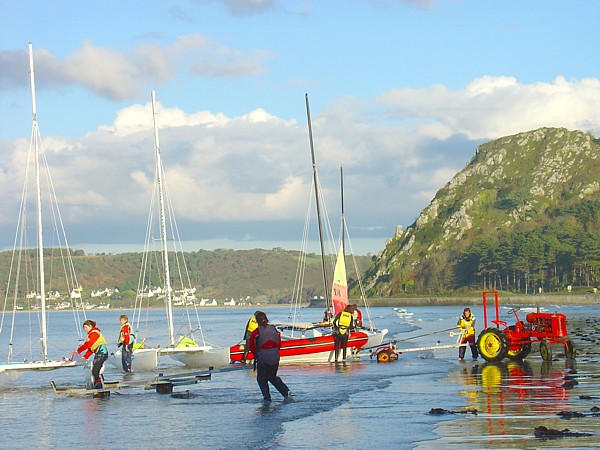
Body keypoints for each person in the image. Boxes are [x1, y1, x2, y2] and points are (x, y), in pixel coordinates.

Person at [248, 311, 292, 402]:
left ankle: (267, 398)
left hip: (263, 357)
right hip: (275, 356)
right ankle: (286, 392)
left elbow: (252, 346)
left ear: (257, 321)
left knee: (261, 379)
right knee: (272, 377)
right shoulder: (274, 329)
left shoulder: (256, 332)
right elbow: (278, 343)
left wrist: (257, 355)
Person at [71, 320, 108, 389]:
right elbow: (91, 348)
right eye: (84, 328)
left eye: (86, 327)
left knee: (95, 371)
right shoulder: (91, 334)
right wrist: (85, 356)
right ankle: (99, 383)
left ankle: (99, 385)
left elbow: (88, 345)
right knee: (96, 370)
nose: (85, 330)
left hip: (102, 353)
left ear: (90, 326)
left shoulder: (94, 333)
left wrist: (78, 350)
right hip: (99, 353)